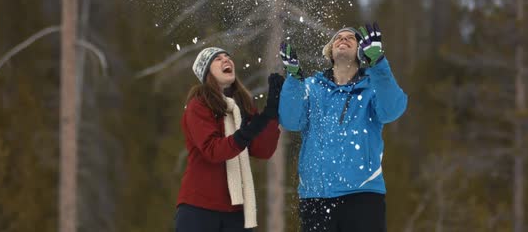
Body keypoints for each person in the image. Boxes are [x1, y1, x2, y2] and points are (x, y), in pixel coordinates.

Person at [278, 22, 408, 232]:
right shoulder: (310, 87)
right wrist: (294, 79)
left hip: (362, 194)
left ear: (361, 51)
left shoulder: (372, 86)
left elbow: (392, 110)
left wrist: (378, 63)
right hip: (316, 196)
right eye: (338, 38)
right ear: (330, 51)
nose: (343, 39)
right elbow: (291, 120)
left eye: (351, 38)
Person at [174, 47, 284, 232]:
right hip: (199, 208)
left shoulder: (241, 107)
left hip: (237, 211)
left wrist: (271, 112)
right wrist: (250, 130)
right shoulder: (199, 105)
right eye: (217, 59)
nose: (226, 60)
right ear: (206, 72)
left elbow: (262, 150)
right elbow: (213, 150)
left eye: (228, 57)